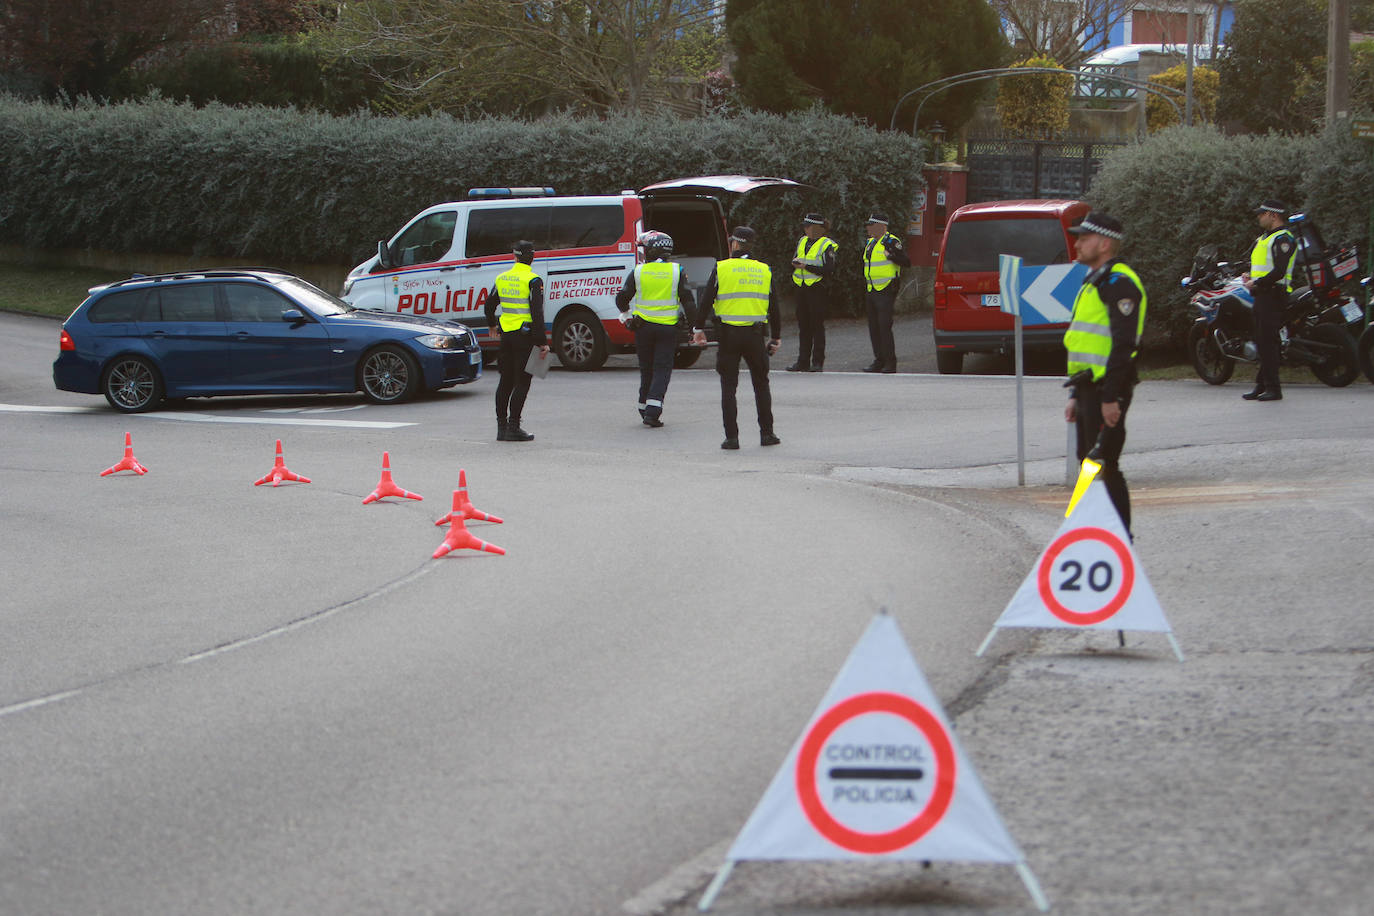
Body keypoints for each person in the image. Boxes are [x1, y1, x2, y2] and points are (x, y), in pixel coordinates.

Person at [1063, 211, 1147, 537]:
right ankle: (1091, 533)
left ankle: (1119, 539)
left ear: (1105, 243)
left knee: (1104, 463)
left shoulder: (1119, 283)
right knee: (1090, 461)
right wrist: (1074, 395)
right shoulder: (1093, 280)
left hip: (1108, 388)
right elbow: (1083, 340)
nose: (1078, 244)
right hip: (1087, 387)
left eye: (1084, 238)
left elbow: (1124, 345)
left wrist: (1112, 397)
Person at [692, 226, 782, 450]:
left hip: (729, 336)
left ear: (734, 244)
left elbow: (706, 300)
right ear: (751, 245)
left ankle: (731, 438)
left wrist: (698, 328)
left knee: (728, 387)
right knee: (761, 385)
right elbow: (775, 306)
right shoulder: (764, 270)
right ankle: (767, 434)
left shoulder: (722, 268)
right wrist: (776, 337)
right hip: (755, 336)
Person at [614, 230, 696, 427]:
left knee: (646, 368)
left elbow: (621, 298)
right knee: (662, 369)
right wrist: (695, 328)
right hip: (668, 329)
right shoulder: (677, 270)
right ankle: (653, 410)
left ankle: (644, 408)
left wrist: (625, 316)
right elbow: (689, 302)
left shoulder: (638, 271)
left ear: (651, 250)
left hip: (643, 329)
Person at [484, 240, 548, 441]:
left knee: (505, 381)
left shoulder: (502, 278)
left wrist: (492, 325)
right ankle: (514, 426)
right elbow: (537, 313)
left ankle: (501, 428)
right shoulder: (533, 280)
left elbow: (489, 305)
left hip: (506, 337)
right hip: (525, 337)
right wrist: (542, 342)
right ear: (532, 257)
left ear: (515, 256)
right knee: (523, 381)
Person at [1243, 199, 1296, 402]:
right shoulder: (1264, 238)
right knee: (1262, 340)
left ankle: (1274, 388)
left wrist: (1256, 282)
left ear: (1273, 215)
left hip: (1274, 294)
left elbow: (1279, 271)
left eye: (1262, 213)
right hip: (1262, 294)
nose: (1259, 217)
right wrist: (1249, 275)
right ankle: (1262, 385)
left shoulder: (1283, 238)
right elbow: (1261, 265)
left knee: (1268, 343)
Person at [787, 212, 838, 373]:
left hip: (817, 288)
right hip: (801, 287)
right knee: (803, 326)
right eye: (805, 226)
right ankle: (802, 361)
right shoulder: (802, 241)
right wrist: (795, 264)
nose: (806, 229)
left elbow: (829, 269)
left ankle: (817, 362)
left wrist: (806, 267)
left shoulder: (826, 244)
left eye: (809, 226)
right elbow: (796, 258)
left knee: (817, 326)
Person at [861, 212, 910, 373]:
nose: (868, 228)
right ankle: (879, 360)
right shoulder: (870, 243)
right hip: (871, 289)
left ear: (881, 226)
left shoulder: (891, 241)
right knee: (873, 327)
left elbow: (906, 262)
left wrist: (892, 256)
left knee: (884, 326)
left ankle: (890, 362)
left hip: (886, 289)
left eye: (872, 225)